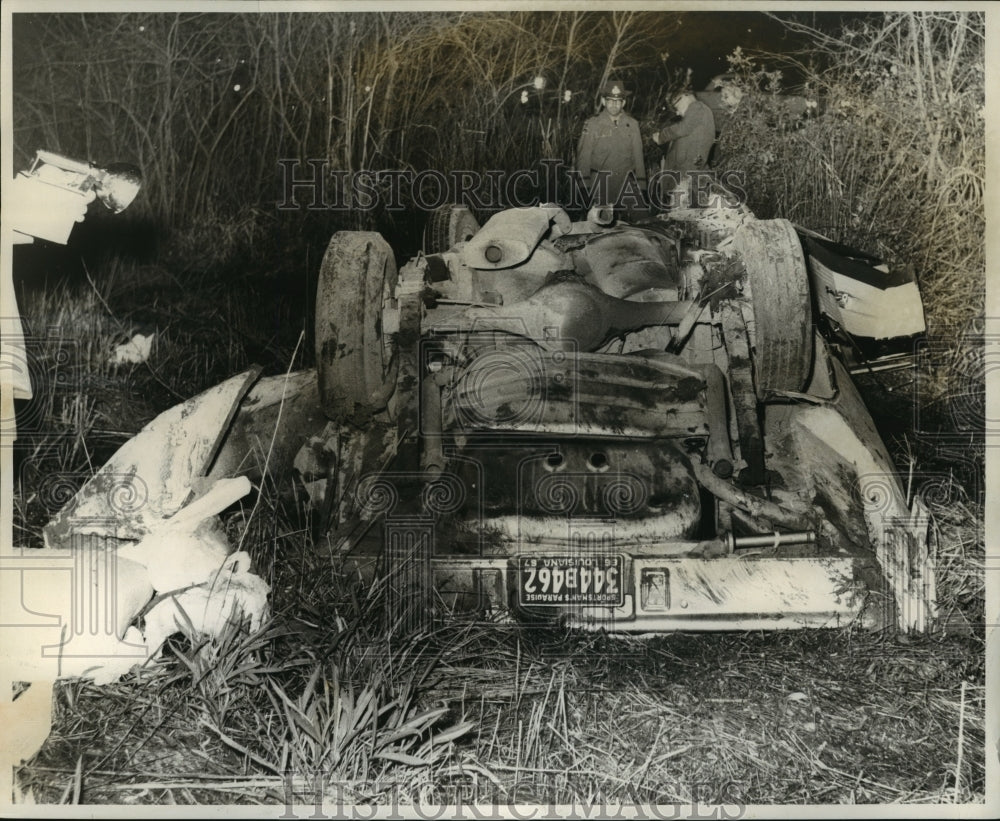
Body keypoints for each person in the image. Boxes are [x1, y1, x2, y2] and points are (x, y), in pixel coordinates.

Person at [574, 80, 646, 216]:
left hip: (626, 183)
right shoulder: (592, 124)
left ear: (623, 103)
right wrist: (585, 188)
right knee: (602, 226)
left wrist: (642, 187)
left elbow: (638, 157)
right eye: (610, 100)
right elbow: (584, 157)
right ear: (603, 101)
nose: (614, 104)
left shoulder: (632, 124)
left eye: (618, 101)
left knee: (643, 220)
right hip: (601, 184)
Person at [652, 91, 716, 207]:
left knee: (681, 214)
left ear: (684, 96)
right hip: (687, 174)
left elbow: (682, 129)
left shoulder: (698, 107)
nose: (677, 112)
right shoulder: (698, 114)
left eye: (676, 107)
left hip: (686, 175)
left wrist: (662, 136)